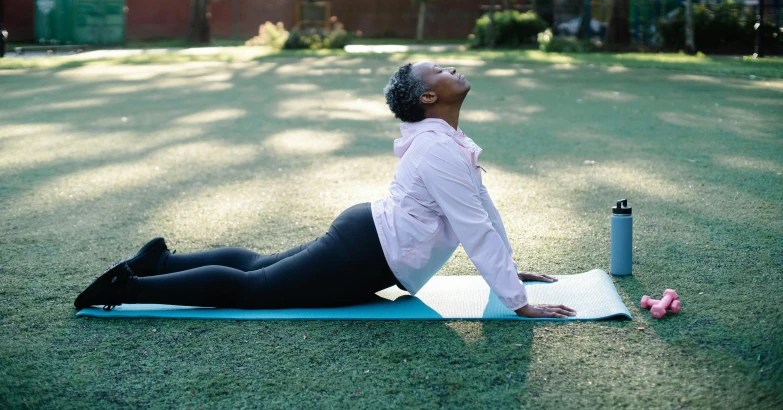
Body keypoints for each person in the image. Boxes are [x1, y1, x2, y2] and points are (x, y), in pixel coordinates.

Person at [75, 62, 576, 319]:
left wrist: (509, 271)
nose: (453, 70)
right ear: (429, 97)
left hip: (366, 237)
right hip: (367, 251)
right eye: (441, 71)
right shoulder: (439, 148)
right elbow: (472, 224)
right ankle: (129, 288)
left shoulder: (446, 141)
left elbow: (481, 211)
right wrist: (518, 302)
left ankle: (158, 261)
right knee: (253, 289)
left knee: (255, 265)